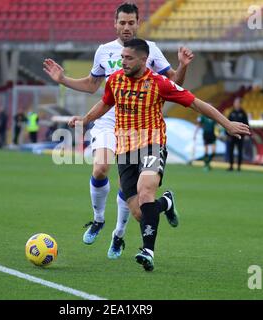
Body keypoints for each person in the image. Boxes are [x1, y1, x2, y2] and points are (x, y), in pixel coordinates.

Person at [68, 39, 250, 271]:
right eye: (122, 57)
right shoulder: (114, 80)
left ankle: (147, 251)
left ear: (144, 60)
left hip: (151, 144)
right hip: (124, 151)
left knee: (145, 193)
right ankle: (167, 202)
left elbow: (197, 104)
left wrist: (227, 124)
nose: (122, 61)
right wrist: (85, 120)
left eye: (128, 58)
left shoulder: (159, 83)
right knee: (139, 212)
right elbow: (105, 104)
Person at [43, 3, 194, 259]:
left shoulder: (150, 50)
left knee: (136, 200)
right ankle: (99, 219)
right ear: (115, 24)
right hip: (106, 121)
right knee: (100, 167)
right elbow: (92, 85)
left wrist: (183, 66)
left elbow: (174, 83)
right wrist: (64, 80)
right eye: (122, 22)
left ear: (138, 23)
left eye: (131, 23)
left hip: (138, 129)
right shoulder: (104, 51)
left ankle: (119, 234)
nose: (126, 27)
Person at [227, 97, 249, 171]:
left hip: (240, 136)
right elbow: (227, 123)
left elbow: (246, 124)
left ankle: (239, 166)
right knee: (231, 151)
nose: (235, 104)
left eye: (237, 103)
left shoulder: (243, 113)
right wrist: (227, 134)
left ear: (240, 104)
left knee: (240, 151)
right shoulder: (231, 112)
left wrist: (246, 135)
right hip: (232, 135)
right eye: (235, 103)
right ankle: (231, 166)